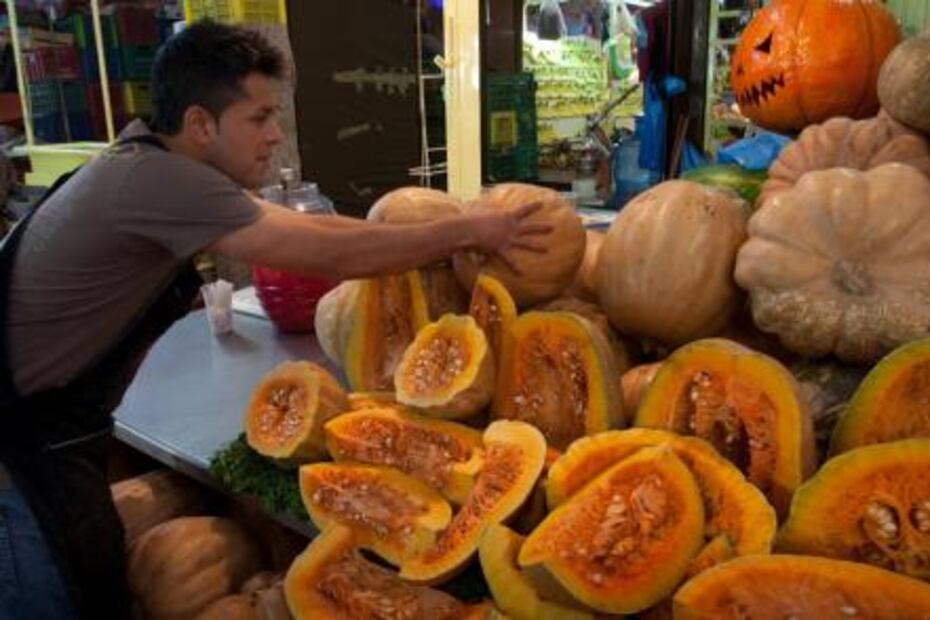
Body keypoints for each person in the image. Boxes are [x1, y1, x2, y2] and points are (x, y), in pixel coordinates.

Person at [0, 20, 549, 619]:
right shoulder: (158, 180)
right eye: (258, 118)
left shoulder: (146, 165)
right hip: (19, 445)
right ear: (200, 125)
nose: (275, 135)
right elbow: (329, 253)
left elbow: (316, 229)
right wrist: (471, 229)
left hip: (52, 428)